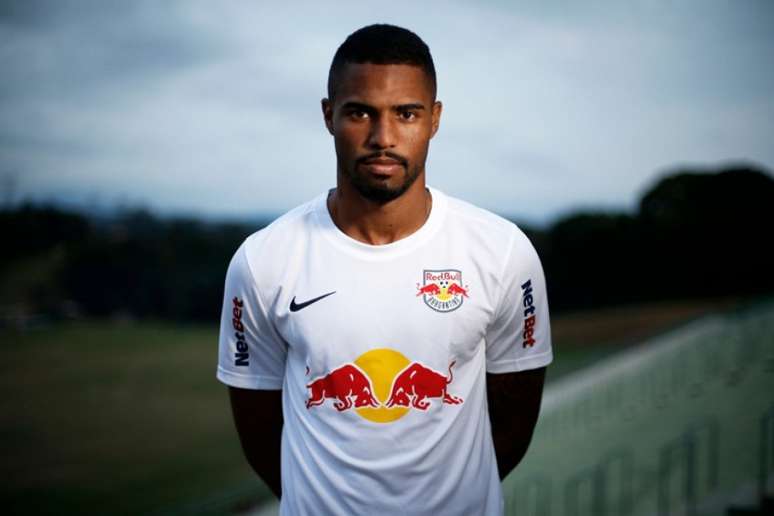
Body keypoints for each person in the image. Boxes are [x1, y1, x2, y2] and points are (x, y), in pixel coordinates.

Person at [216, 23, 552, 515]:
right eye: (360, 113)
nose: (383, 137)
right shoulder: (263, 260)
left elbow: (514, 424)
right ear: (329, 116)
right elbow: (261, 434)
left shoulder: (502, 253)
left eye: (406, 113)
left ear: (434, 119)